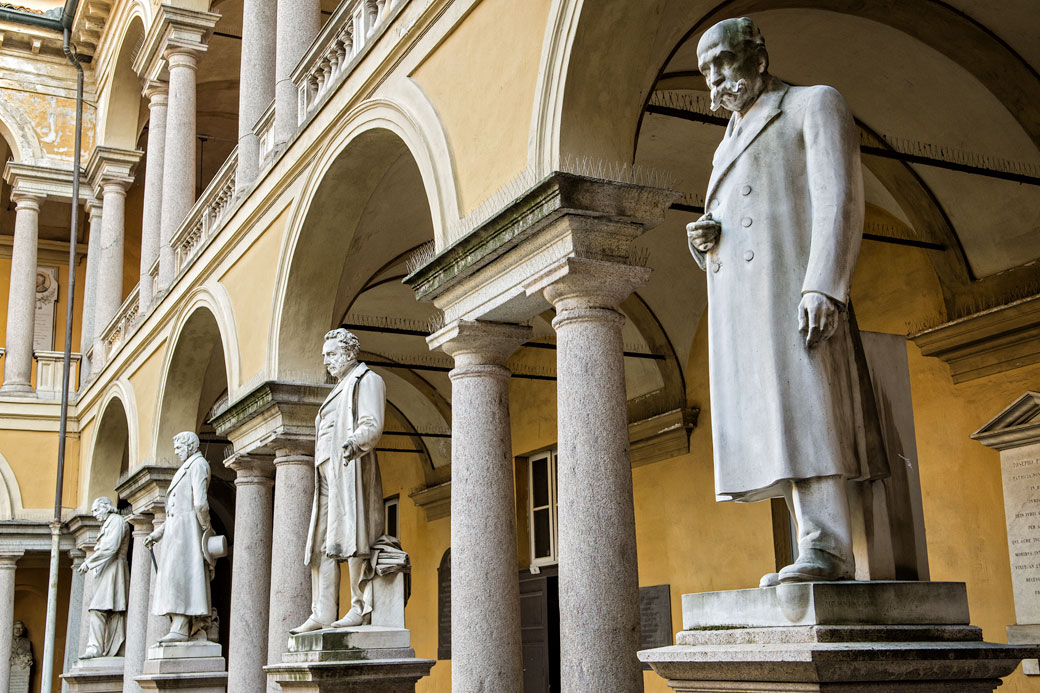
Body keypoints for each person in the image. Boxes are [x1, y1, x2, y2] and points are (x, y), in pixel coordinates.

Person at [689, 17, 875, 586]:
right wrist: (706, 241)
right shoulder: (726, 142)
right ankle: (812, 546)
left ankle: (828, 548)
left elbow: (837, 195)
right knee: (781, 421)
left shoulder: (811, 105)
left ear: (758, 57)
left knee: (808, 410)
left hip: (794, 290)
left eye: (724, 61)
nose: (716, 78)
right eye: (706, 71)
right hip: (749, 304)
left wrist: (824, 284)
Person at [292, 328, 386, 633]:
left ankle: (359, 606)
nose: (327, 362)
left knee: (352, 537)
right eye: (325, 356)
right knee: (321, 542)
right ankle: (322, 610)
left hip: (350, 467)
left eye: (331, 355)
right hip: (326, 474)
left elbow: (372, 423)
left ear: (348, 352)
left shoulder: (367, 380)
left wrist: (354, 443)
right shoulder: (340, 387)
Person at [146, 431, 215, 642]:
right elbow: (173, 511)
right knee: (173, 577)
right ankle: (180, 623)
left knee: (183, 576)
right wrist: (158, 533)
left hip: (188, 531)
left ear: (191, 446)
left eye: (179, 447)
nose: (176, 451)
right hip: (178, 532)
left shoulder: (198, 465)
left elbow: (200, 503)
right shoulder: (186, 467)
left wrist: (206, 528)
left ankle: (183, 625)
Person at [78, 497, 129, 658]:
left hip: (113, 569)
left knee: (97, 609)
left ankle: (96, 648)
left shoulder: (117, 521)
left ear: (106, 507)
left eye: (96, 510)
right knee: (108, 611)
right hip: (107, 570)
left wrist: (89, 562)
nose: (94, 514)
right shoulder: (109, 523)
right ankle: (108, 649)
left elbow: (110, 547)